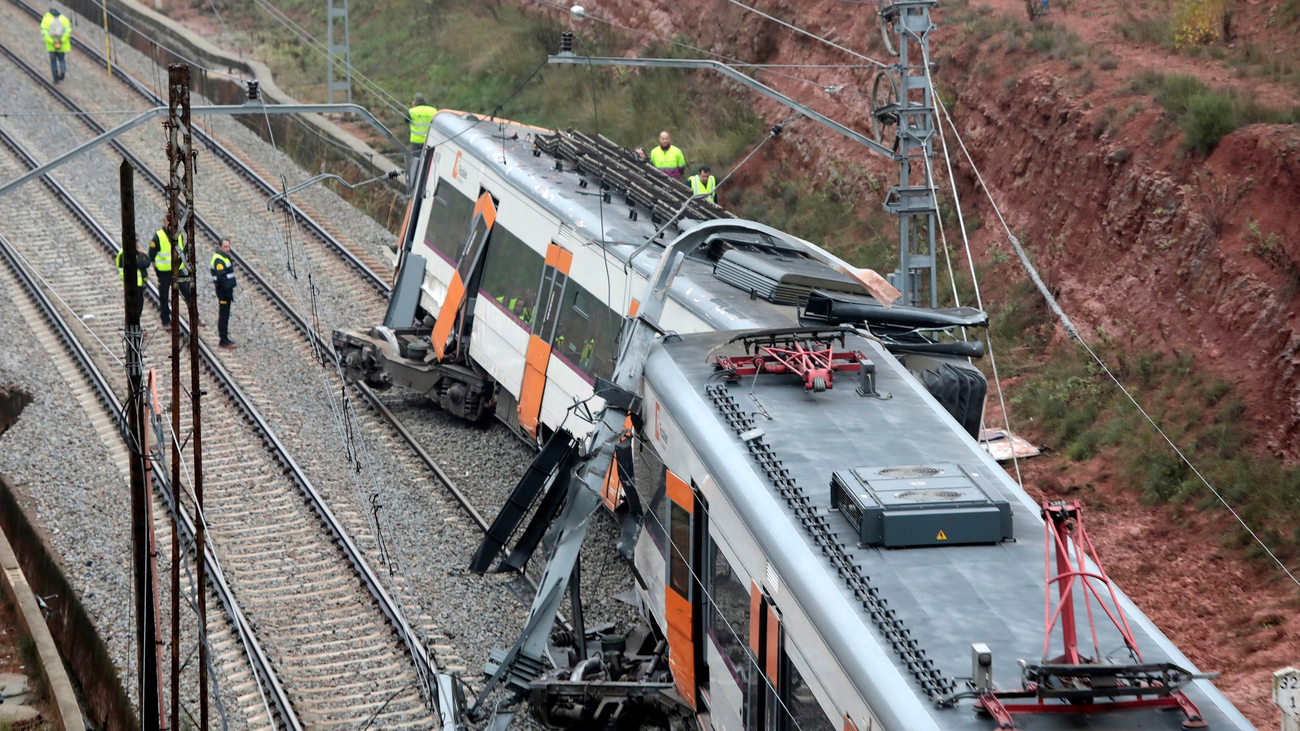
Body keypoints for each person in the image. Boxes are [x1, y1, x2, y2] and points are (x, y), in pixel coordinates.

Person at [148, 214, 194, 330]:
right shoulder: (158, 237)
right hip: (164, 273)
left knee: (188, 292)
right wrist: (157, 271)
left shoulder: (178, 235)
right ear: (164, 223)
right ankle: (165, 320)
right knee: (163, 297)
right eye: (168, 222)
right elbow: (151, 256)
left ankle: (194, 317)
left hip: (178, 270)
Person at [210, 239, 237, 349]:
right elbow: (221, 277)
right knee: (223, 315)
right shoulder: (219, 260)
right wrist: (227, 289)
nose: (228, 249)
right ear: (219, 247)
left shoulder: (224, 257)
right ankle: (223, 339)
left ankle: (225, 338)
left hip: (226, 290)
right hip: (223, 291)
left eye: (228, 247)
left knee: (225, 314)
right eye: (225, 247)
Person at [41, 7, 72, 83]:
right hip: (61, 44)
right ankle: (63, 69)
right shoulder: (63, 19)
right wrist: (62, 40)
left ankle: (56, 79)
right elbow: (68, 31)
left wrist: (51, 41)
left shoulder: (46, 19)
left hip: (51, 45)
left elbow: (44, 32)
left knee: (53, 62)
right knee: (61, 59)